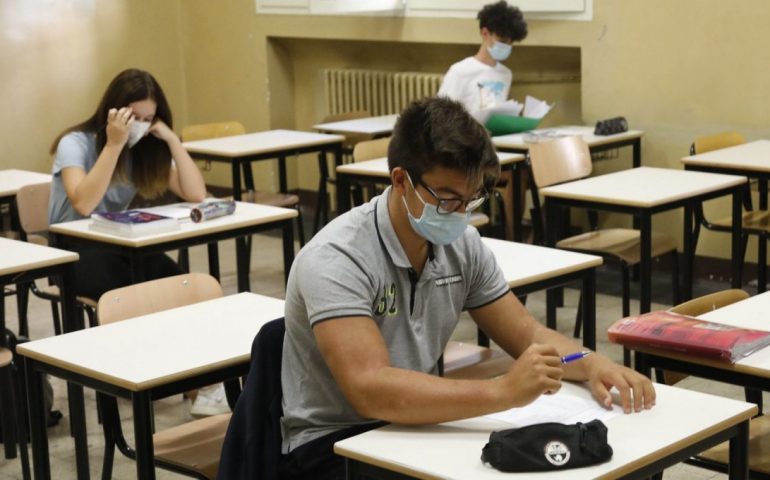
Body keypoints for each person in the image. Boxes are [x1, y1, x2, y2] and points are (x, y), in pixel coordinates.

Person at [279, 97, 655, 480]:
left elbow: (527, 334)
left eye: (470, 199)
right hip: (334, 445)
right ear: (400, 181)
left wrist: (591, 363)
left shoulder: (461, 245)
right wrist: (502, 391)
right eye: (446, 199)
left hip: (412, 427)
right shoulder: (337, 257)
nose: (459, 214)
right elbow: (369, 388)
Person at [49, 68, 226, 416]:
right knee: (136, 293)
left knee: (181, 283)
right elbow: (83, 203)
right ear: (113, 113)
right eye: (135, 117)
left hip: (119, 243)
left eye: (148, 119)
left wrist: (172, 140)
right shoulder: (76, 143)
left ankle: (202, 386)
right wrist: (114, 145)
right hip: (72, 252)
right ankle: (150, 375)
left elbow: (195, 192)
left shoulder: (142, 146)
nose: (141, 126)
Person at [438, 0, 528, 241]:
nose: (505, 46)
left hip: (494, 146)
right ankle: (472, 233)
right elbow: (441, 114)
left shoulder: (505, 74)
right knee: (507, 174)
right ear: (485, 33)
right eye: (501, 40)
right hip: (465, 150)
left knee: (522, 172)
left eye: (510, 43)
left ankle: (513, 235)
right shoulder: (460, 71)